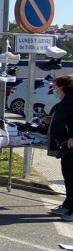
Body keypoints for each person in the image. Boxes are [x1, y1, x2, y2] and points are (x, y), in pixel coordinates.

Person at [46, 75, 73, 221]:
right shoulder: (65, 101)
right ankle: (68, 205)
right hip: (66, 146)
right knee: (68, 177)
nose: (54, 89)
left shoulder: (71, 100)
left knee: (71, 177)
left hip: (71, 145)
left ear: (63, 87)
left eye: (55, 87)